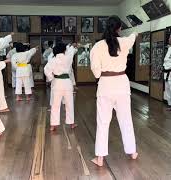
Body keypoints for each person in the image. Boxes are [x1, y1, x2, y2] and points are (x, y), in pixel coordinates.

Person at [89, 15, 138, 167]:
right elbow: (132, 38)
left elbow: (96, 71)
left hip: (105, 85)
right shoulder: (124, 42)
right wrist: (135, 33)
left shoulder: (97, 46)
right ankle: (132, 151)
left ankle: (100, 158)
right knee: (126, 120)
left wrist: (101, 74)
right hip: (122, 84)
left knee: (103, 122)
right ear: (119, 28)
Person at [44, 43, 78, 132]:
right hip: (67, 82)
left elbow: (46, 70)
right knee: (69, 103)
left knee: (55, 105)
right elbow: (71, 51)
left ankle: (53, 125)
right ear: (64, 50)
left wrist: (51, 78)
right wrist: (71, 46)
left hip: (57, 82)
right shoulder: (68, 57)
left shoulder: (52, 60)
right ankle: (71, 123)